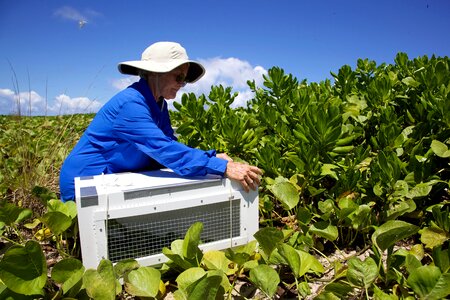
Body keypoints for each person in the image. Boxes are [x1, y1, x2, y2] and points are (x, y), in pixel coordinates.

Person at [59, 41, 262, 201]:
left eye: (185, 79)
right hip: (86, 183)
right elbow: (162, 149)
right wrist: (221, 166)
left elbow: (169, 144)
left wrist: (210, 156)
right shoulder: (130, 104)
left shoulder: (159, 104)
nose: (182, 84)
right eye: (178, 77)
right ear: (155, 73)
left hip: (115, 178)